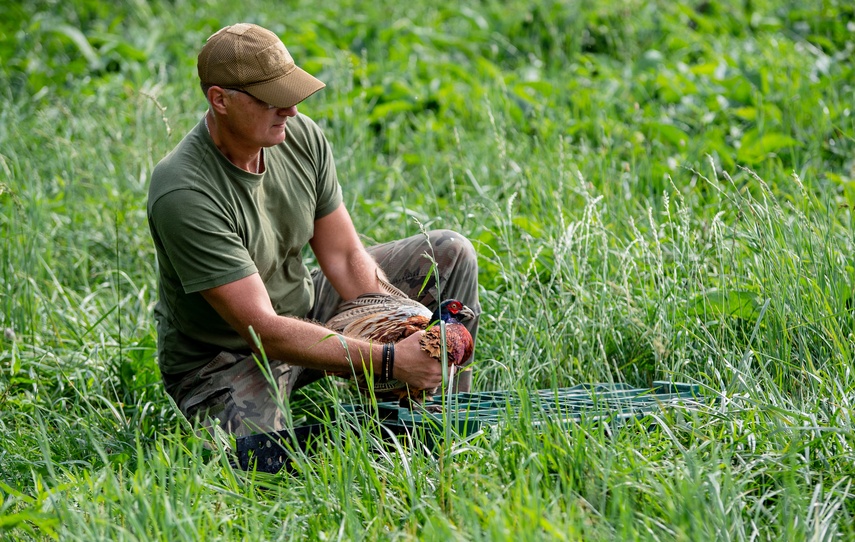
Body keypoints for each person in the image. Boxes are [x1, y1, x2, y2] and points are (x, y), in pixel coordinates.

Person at [146, 23, 480, 439]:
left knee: (449, 251)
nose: (291, 111)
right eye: (274, 100)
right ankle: (384, 397)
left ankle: (436, 418)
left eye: (291, 95)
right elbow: (262, 330)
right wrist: (390, 359)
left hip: (303, 308)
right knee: (270, 466)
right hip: (227, 354)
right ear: (220, 100)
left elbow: (342, 257)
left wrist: (394, 320)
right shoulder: (184, 191)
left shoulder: (298, 136)